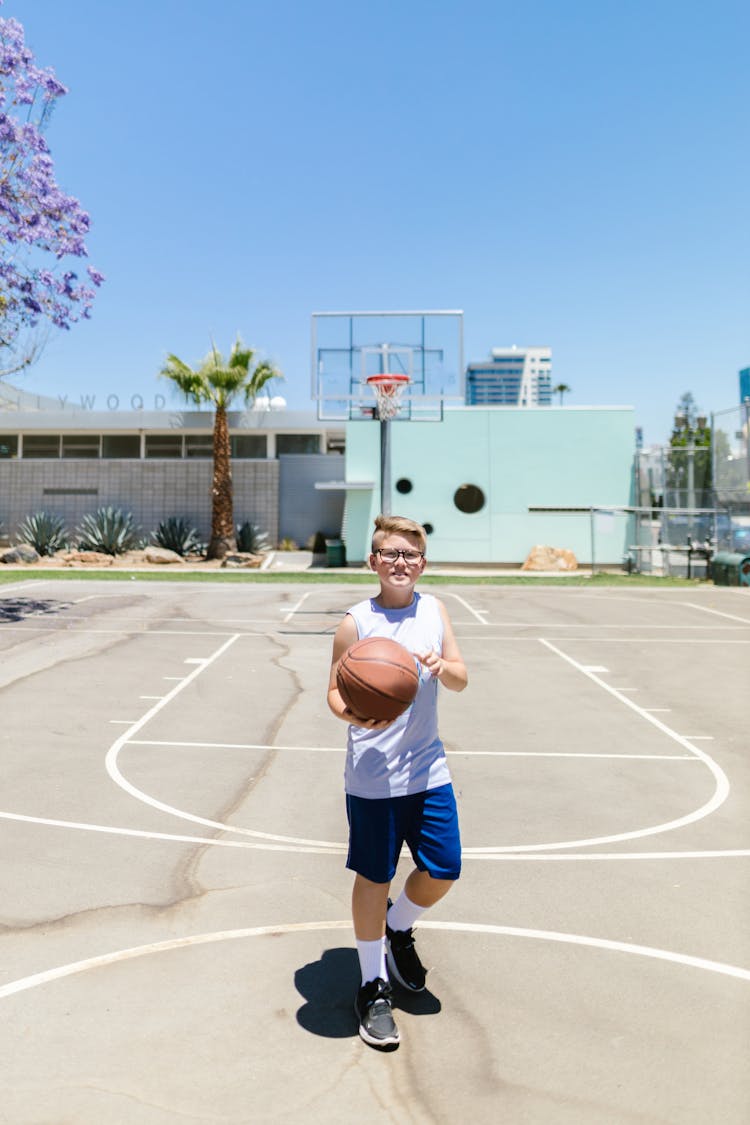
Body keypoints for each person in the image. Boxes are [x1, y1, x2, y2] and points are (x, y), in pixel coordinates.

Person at [327, 514, 468, 1049]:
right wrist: (353, 715)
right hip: (372, 775)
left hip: (428, 769)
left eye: (410, 555)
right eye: (390, 553)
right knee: (374, 876)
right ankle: (372, 985)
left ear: (423, 563)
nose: (400, 562)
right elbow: (335, 692)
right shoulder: (355, 623)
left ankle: (398, 926)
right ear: (373, 562)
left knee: (443, 869)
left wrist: (439, 665)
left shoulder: (434, 611)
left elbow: (460, 676)